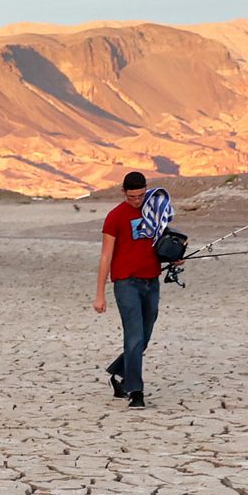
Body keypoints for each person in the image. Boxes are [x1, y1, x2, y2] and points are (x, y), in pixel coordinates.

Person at [94, 171, 166, 408]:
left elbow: (161, 242)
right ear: (123, 192)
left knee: (144, 337)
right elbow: (106, 256)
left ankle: (118, 372)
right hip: (126, 283)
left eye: (141, 195)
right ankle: (135, 391)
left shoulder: (154, 211)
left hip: (151, 280)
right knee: (134, 337)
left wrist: (174, 257)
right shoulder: (115, 216)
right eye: (132, 196)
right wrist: (100, 293)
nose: (137, 201)